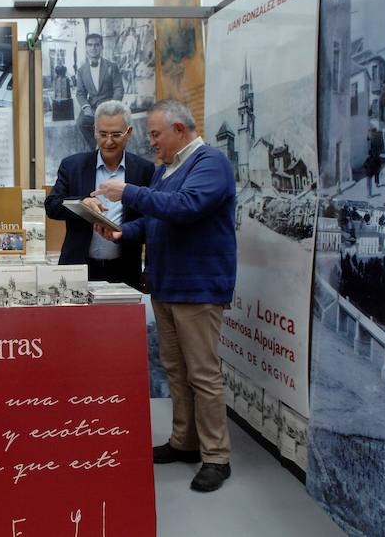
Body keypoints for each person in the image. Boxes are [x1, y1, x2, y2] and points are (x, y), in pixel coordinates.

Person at [92, 99, 236, 492]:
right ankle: (184, 441)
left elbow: (186, 207)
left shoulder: (210, 163)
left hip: (198, 288)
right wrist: (123, 233)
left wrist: (130, 193)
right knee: (176, 370)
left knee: (203, 374)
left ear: (179, 129)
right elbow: (156, 220)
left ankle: (216, 457)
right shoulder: (165, 170)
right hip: (167, 285)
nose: (151, 142)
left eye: (155, 134)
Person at [44, 100, 155, 288]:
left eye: (116, 135)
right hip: (78, 268)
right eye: (103, 134)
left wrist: (150, 267)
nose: (108, 141)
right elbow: (52, 205)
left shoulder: (144, 170)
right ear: (94, 131)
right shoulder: (73, 166)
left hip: (125, 270)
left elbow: (152, 222)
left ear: (129, 133)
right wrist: (81, 204)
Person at [75, 33, 124, 150]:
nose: (93, 48)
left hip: (109, 106)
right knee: (81, 123)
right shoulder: (82, 70)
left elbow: (119, 88)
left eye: (97, 45)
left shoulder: (112, 66)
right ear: (86, 47)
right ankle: (97, 148)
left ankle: (109, 150)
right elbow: (80, 93)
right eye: (90, 45)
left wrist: (112, 105)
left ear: (101, 47)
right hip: (91, 108)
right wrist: (86, 107)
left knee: (113, 126)